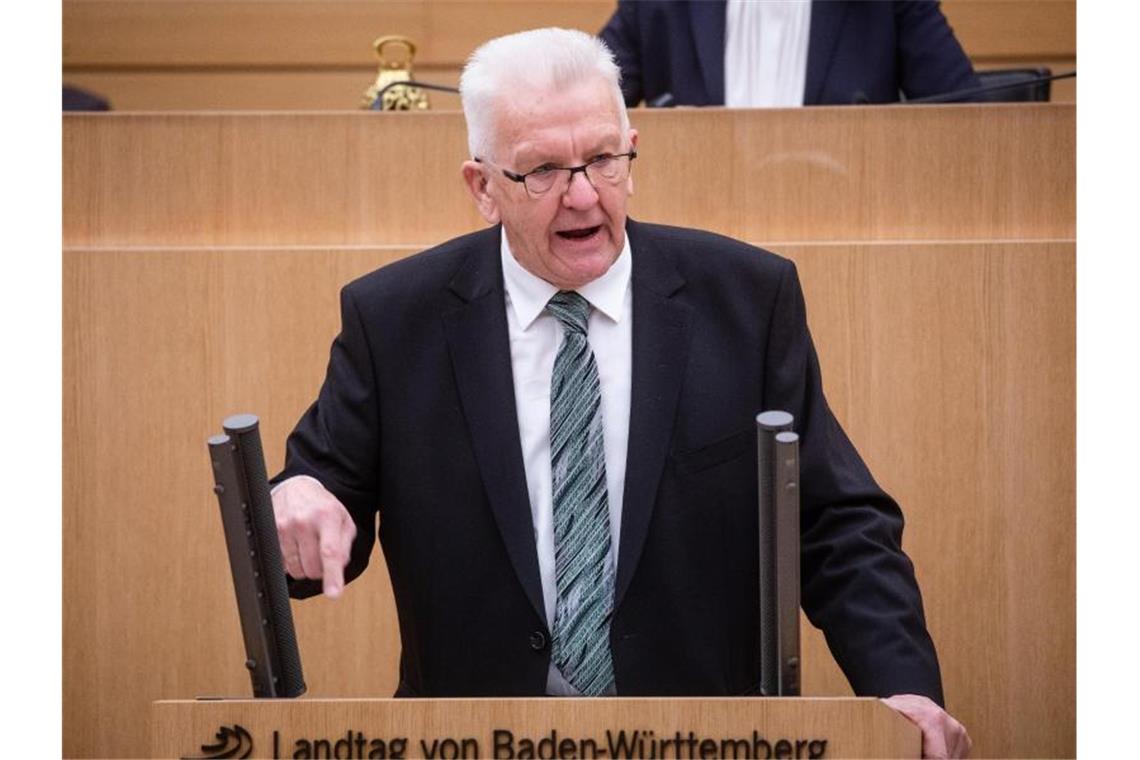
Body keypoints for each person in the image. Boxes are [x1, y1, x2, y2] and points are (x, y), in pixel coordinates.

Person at [271, 27, 971, 758]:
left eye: (602, 159)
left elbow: (833, 524)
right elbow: (315, 502)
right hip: (474, 742)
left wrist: (901, 687)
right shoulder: (395, 319)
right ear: (482, 188)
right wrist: (296, 495)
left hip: (708, 742)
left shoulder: (745, 301)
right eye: (542, 169)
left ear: (631, 155)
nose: (581, 195)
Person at [599, 0, 981, 107]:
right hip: (698, 248)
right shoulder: (655, 5)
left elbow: (967, 122)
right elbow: (582, 101)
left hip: (851, 229)